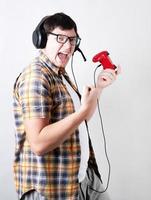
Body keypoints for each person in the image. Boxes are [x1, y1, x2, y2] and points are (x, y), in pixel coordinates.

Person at [13, 12, 120, 200]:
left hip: (82, 178)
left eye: (72, 40)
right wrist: (81, 113)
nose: (69, 46)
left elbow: (82, 118)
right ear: (42, 39)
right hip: (53, 188)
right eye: (61, 38)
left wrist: (99, 88)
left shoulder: (60, 75)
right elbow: (38, 143)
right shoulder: (36, 78)